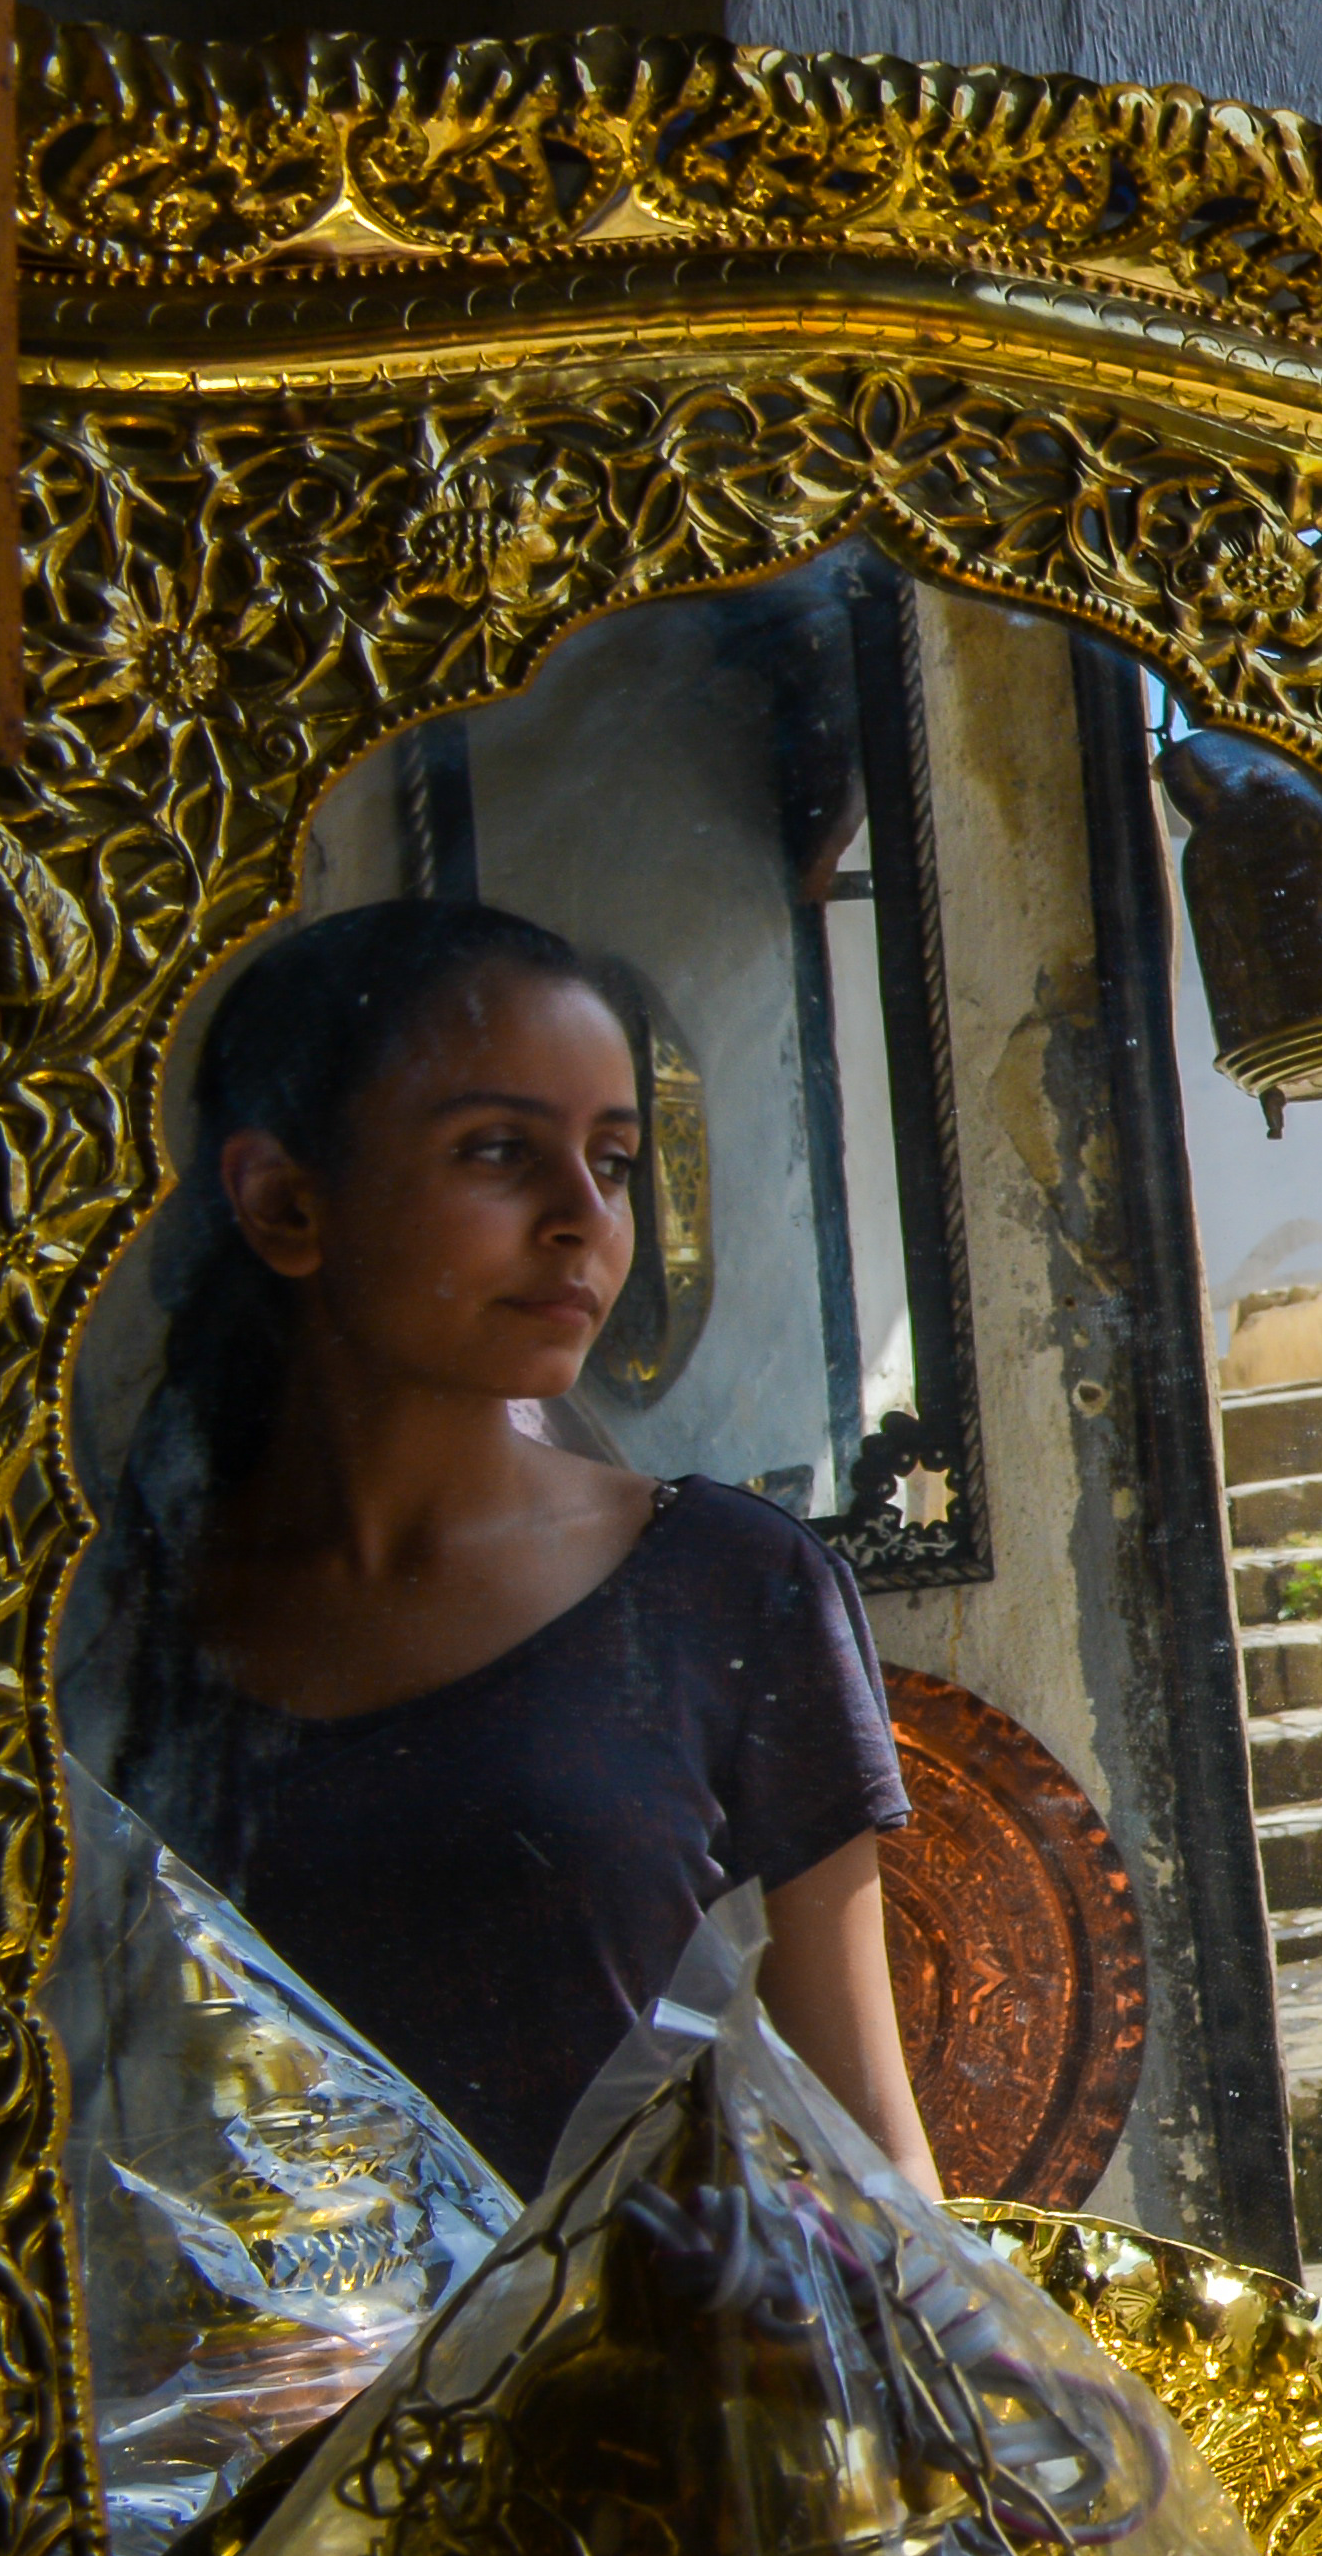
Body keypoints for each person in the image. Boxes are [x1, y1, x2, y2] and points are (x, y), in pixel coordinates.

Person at [92, 898, 934, 2200]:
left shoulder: (726, 1589)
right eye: (498, 1150)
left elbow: (875, 2151)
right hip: (265, 2397)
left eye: (611, 1159)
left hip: (657, 2383)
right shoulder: (114, 1630)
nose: (582, 1218)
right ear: (282, 1201)